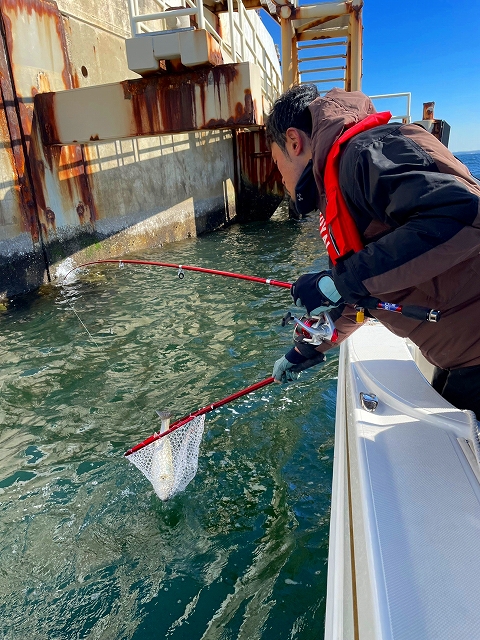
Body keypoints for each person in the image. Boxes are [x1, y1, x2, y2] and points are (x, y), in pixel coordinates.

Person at [267, 84, 480, 419]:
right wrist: (305, 349)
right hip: (461, 358)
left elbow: (462, 213)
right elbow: (362, 294)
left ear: (294, 141)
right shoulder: (341, 180)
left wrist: (338, 281)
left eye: (277, 164)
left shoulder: (367, 151)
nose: (280, 179)